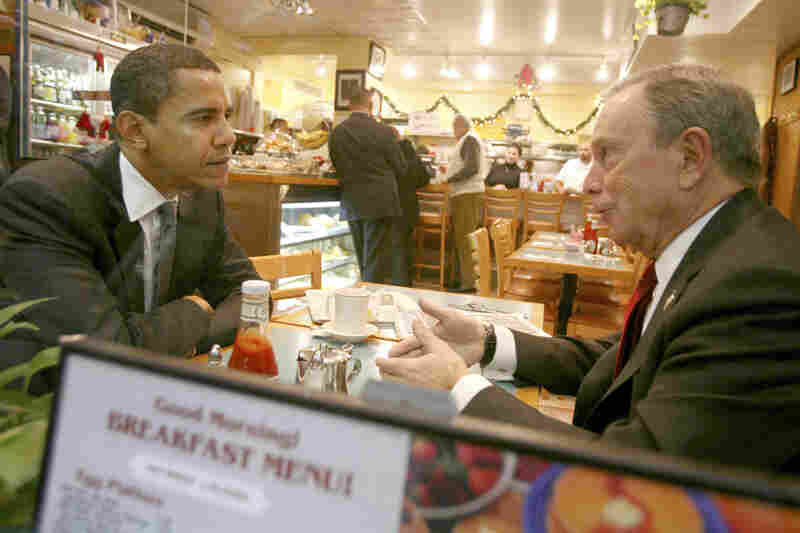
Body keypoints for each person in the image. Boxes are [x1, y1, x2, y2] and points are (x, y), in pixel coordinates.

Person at [377, 63, 800, 473]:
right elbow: (616, 362)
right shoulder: (715, 254)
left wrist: (458, 386)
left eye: (608, 156)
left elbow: (637, 479)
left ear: (690, 159)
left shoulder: (758, 287)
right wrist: (486, 341)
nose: (587, 182)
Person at [0, 44, 259, 358]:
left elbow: (253, 298)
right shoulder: (47, 199)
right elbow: (102, 355)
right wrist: (195, 310)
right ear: (135, 130)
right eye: (203, 118)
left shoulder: (200, 198)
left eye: (225, 116)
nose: (228, 136)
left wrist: (177, 337)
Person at [329, 89, 407, 283]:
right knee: (375, 258)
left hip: (352, 199)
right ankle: (370, 302)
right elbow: (401, 167)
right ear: (371, 107)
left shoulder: (339, 132)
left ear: (349, 106)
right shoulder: (384, 131)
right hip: (381, 200)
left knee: (362, 254)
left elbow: (338, 165)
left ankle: (363, 297)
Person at [442, 114, 488, 292]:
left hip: (467, 194)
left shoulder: (469, 140)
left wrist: (450, 178)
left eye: (454, 128)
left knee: (465, 240)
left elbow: (471, 167)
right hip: (465, 194)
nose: (453, 133)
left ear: (460, 126)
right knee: (463, 239)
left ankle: (468, 284)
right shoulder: (469, 140)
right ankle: (463, 280)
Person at [390, 128, 432, 286]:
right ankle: (407, 280)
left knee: (397, 244)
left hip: (395, 204)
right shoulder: (413, 155)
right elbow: (424, 179)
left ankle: (399, 283)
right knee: (405, 243)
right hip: (411, 207)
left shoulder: (392, 154)